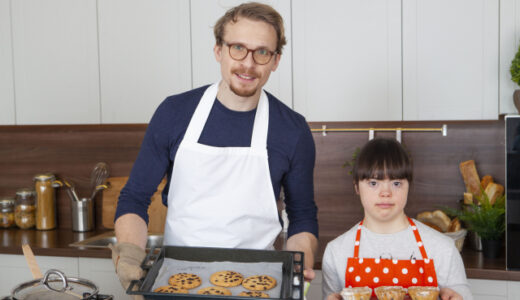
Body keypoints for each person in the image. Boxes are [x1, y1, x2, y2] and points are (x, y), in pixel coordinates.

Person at [109, 1, 318, 294]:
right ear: (219, 50)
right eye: (237, 48)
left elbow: (302, 216)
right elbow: (134, 198)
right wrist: (130, 254)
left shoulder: (292, 130)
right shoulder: (174, 113)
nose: (248, 63)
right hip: (175, 281)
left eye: (261, 52)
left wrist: (298, 266)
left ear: (275, 60)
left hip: (256, 286)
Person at [322, 138, 472, 300]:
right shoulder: (336, 252)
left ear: (409, 186)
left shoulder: (442, 248)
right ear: (357, 187)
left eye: (396, 183)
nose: (385, 193)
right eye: (373, 183)